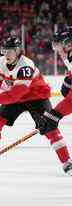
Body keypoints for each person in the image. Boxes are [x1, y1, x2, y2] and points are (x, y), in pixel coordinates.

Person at [0, 36, 72, 175]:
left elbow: (17, 93)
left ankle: (67, 162)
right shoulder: (2, 61)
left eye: (10, 51)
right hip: (16, 97)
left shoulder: (26, 65)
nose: (6, 54)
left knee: (50, 127)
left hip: (37, 97)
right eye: (4, 51)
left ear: (18, 51)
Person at [37, 28, 72, 174]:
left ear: (68, 43)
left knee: (50, 119)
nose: (56, 48)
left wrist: (53, 116)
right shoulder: (68, 54)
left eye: (58, 44)